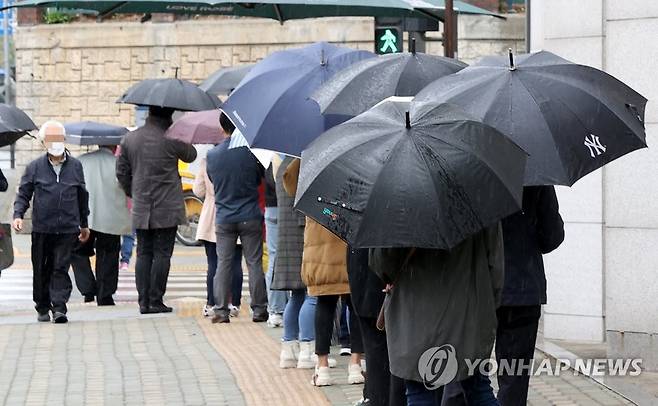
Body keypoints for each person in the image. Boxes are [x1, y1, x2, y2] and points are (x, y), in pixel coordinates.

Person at [369, 223, 504, 406]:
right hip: (468, 315)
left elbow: (382, 264)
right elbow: (495, 265)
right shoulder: (481, 199)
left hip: (415, 317)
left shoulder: (397, 203)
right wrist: (488, 308)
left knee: (420, 392)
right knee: (478, 390)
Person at [283, 158, 363, 386]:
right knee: (354, 306)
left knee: (325, 305)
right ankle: (356, 365)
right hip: (350, 236)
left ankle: (323, 367)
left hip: (321, 242)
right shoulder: (351, 152)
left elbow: (289, 184)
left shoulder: (312, 156)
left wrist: (302, 156)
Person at [116, 106, 197, 314]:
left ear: (149, 113)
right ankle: (156, 299)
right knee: (162, 254)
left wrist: (133, 192)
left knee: (143, 252)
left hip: (142, 204)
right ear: (169, 116)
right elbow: (191, 155)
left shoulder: (130, 139)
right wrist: (182, 130)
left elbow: (121, 171)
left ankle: (143, 301)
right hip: (168, 206)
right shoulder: (173, 138)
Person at [12, 120, 90, 324]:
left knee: (60, 267)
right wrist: (18, 215)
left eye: (59, 138)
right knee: (41, 268)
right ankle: (42, 305)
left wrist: (84, 223)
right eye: (51, 139)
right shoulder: (35, 167)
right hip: (42, 228)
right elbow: (24, 193)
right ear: (44, 142)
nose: (55, 143)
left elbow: (82, 195)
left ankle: (59, 307)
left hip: (67, 228)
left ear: (64, 140)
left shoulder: (76, 166)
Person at [496, 186, 564, 406]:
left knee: (464, 375)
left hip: (479, 287)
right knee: (514, 377)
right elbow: (551, 236)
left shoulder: (470, 164)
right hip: (522, 289)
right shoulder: (535, 171)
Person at [206, 112, 268, 324]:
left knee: (223, 263)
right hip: (250, 214)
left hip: (224, 216)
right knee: (254, 263)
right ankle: (259, 309)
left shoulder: (213, 156)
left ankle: (221, 311)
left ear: (222, 128)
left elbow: (213, 181)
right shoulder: (250, 152)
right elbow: (260, 177)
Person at [70, 145, 132, 306]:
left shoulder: (81, 161)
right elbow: (128, 187)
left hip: (85, 218)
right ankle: (105, 295)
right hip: (111, 217)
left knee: (77, 251)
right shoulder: (119, 163)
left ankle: (88, 288)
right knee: (109, 255)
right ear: (113, 146)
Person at [271, 156, 317, 369]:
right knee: (311, 293)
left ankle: (288, 349)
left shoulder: (280, 162)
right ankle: (308, 350)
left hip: (286, 234)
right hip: (303, 234)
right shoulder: (303, 162)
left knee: (296, 294)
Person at [348, 248, 406, 406]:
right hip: (387, 281)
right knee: (394, 358)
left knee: (376, 357)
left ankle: (374, 396)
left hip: (364, 278)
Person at [193, 154, 244, 318]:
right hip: (237, 211)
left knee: (214, 263)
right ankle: (234, 303)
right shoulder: (241, 158)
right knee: (235, 262)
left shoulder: (207, 161)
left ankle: (212, 303)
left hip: (212, 215)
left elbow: (198, 190)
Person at [264, 165, 287, 327]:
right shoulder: (294, 155)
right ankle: (288, 305)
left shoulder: (268, 156)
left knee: (274, 257)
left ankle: (275, 310)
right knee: (290, 257)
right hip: (288, 207)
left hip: (270, 206)